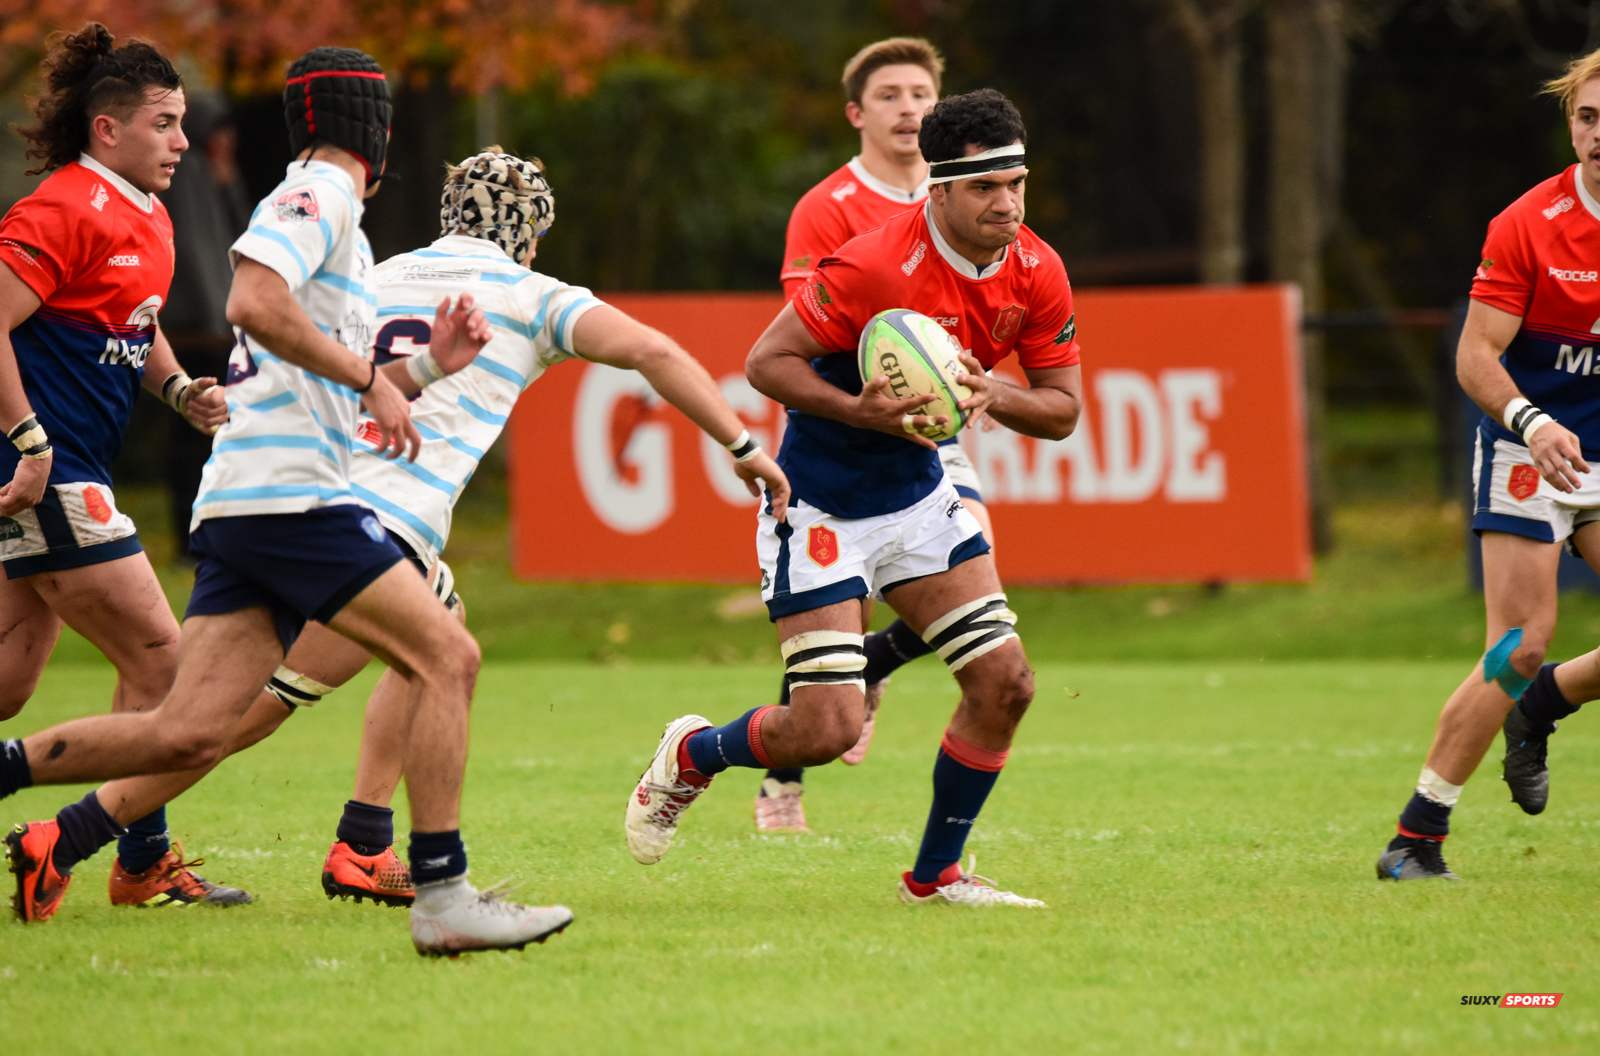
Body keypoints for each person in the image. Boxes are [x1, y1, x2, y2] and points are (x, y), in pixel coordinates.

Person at [27, 146, 793, 911]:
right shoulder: (531, 293)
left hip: (286, 497)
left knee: (428, 632)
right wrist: (744, 445)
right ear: (530, 237)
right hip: (364, 529)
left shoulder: (374, 272)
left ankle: (360, 843)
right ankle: (70, 834)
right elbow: (654, 351)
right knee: (229, 719)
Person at [0, 46, 568, 959]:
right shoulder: (321, 196)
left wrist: (415, 372)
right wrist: (374, 381)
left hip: (249, 496)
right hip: (293, 499)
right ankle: (441, 889)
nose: (184, 138)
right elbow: (254, 303)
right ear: (368, 129)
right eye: (168, 122)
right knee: (445, 655)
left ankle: (56, 827)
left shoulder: (315, 209)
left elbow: (300, 352)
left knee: (187, 726)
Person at [625, 89, 1081, 907]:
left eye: (1015, 182)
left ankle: (934, 875)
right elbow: (768, 361)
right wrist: (854, 407)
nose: (1006, 203)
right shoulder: (873, 264)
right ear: (937, 189)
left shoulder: (1039, 269)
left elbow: (1064, 409)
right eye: (984, 188)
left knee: (1006, 682)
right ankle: (694, 753)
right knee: (826, 731)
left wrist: (995, 395)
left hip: (918, 501)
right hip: (822, 505)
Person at [0, 24, 244, 911]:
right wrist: (29, 438)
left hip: (62, 473)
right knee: (170, 674)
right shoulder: (63, 207)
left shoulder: (147, 212)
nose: (183, 141)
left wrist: (179, 389)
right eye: (165, 123)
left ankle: (140, 862)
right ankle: (140, 862)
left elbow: (130, 322)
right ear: (109, 130)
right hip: (51, 474)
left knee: (9, 685)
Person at [758, 37, 999, 832]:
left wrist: (972, 377)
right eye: (891, 95)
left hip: (931, 429)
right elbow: (815, 333)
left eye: (922, 93)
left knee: (979, 571)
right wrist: (902, 376)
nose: (909, 108)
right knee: (835, 631)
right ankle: (782, 775)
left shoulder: (968, 196)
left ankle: (878, 668)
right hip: (846, 434)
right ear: (859, 114)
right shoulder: (828, 207)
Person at [1376, 49, 1600, 880]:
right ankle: (1416, 835)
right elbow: (1476, 356)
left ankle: (1540, 711)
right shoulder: (1530, 223)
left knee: (1537, 675)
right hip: (1527, 447)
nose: (1599, 134)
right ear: (1570, 124)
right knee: (1521, 642)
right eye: (1587, 118)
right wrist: (1532, 421)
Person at [160, 91, 250, 560]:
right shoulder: (188, 175)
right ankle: (191, 537)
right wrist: (218, 316)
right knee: (196, 434)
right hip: (197, 326)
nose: (228, 141)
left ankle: (203, 535)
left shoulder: (211, 176)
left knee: (203, 433)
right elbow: (197, 253)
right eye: (221, 132)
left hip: (211, 322)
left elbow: (236, 240)